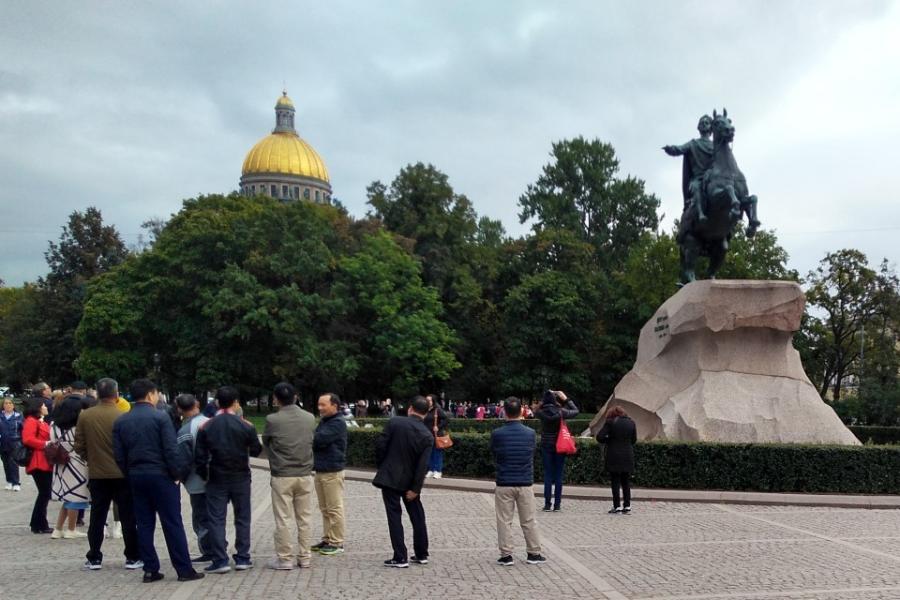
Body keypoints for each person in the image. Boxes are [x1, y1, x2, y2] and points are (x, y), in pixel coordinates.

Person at [113, 379, 203, 583]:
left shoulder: (121, 421)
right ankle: (183, 569)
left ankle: (150, 569)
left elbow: (118, 454)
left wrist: (129, 473)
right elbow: (171, 450)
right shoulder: (160, 418)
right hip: (161, 475)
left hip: (136, 475)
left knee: (144, 523)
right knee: (172, 522)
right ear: (150, 395)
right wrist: (176, 474)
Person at [74, 377, 141, 571]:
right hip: (122, 473)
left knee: (97, 516)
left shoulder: (85, 416)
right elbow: (132, 445)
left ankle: (94, 556)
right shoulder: (123, 415)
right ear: (116, 393)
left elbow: (78, 445)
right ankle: (132, 556)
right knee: (128, 516)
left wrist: (91, 458)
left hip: (97, 473)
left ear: (97, 393)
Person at [195, 386, 262, 574]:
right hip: (240, 475)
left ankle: (220, 559)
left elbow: (199, 457)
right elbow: (256, 450)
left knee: (216, 519)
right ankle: (242, 557)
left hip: (216, 476)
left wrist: (204, 474)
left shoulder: (206, 426)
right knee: (242, 517)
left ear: (216, 402)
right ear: (235, 403)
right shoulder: (246, 425)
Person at [372, 395, 433, 568]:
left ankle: (400, 556)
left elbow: (380, 446)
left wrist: (383, 465)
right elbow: (423, 466)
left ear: (410, 409)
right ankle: (421, 553)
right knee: (418, 516)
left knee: (394, 516)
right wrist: (416, 488)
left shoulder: (395, 422)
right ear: (426, 413)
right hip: (411, 481)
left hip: (390, 476)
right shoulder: (427, 435)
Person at [262, 382, 315, 570]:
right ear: (296, 397)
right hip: (304, 473)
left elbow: (266, 443)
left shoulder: (272, 420)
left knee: (283, 518)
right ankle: (305, 556)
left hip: (282, 474)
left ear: (276, 399)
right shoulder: (309, 418)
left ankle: (285, 558)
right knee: (305, 518)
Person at [490, 397, 546, 566]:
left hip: (504, 481)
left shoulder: (497, 434)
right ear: (521, 412)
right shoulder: (530, 433)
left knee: (504, 520)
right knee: (529, 520)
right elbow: (532, 452)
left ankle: (506, 555)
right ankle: (534, 553)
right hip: (524, 481)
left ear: (504, 412)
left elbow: (494, 453)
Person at [175, 394, 213, 563]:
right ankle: (219, 546)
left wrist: (179, 478)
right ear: (197, 404)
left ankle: (208, 550)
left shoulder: (185, 431)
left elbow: (184, 459)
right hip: (216, 478)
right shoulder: (211, 422)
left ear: (179, 410)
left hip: (197, 481)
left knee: (201, 517)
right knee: (215, 515)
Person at [49, 396, 90, 539]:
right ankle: (71, 529)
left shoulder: (54, 425)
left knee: (68, 496)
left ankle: (58, 528)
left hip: (61, 462)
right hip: (77, 462)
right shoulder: (78, 426)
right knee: (75, 496)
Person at [313, 392, 348, 556]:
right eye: (319, 405)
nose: (320, 408)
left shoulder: (337, 422)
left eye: (323, 405)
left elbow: (318, 440)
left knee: (334, 508)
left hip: (332, 471)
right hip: (321, 469)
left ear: (334, 405)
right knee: (325, 508)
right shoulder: (326, 421)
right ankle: (327, 538)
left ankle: (337, 542)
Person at [535, 390, 578, 512]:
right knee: (558, 475)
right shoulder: (561, 412)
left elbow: (534, 410)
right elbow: (576, 411)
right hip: (560, 445)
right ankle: (557, 505)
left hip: (546, 445)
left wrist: (545, 399)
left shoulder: (541, 413)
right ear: (555, 400)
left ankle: (547, 504)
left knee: (548, 475)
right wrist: (565, 399)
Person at [596, 406, 637, 514]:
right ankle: (627, 506)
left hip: (614, 455)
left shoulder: (610, 422)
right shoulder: (631, 423)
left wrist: (609, 439)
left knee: (615, 481)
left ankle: (617, 506)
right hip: (627, 454)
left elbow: (599, 437)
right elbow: (634, 440)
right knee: (626, 482)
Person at [22, 396, 53, 533]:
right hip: (37, 460)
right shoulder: (31, 421)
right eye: (44, 406)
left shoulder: (41, 421)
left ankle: (39, 522)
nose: (46, 408)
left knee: (45, 493)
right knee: (44, 493)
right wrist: (45, 444)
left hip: (44, 460)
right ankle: (38, 523)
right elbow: (28, 439)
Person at [0, 397, 23, 491]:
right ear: (3, 405)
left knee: (13, 463)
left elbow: (23, 429)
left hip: (15, 443)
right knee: (5, 463)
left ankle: (16, 482)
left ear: (13, 405)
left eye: (10, 403)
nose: (8, 405)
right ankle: (9, 481)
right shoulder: (0, 416)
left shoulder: (19, 416)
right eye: (6, 403)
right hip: (2, 443)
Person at [424, 394, 449, 479]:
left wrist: (438, 427)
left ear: (433, 401)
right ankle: (431, 470)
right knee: (429, 453)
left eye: (429, 400)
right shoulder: (425, 410)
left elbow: (446, 419)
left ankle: (438, 471)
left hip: (436, 435)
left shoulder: (437, 410)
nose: (427, 402)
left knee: (437, 453)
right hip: (427, 435)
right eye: (426, 400)